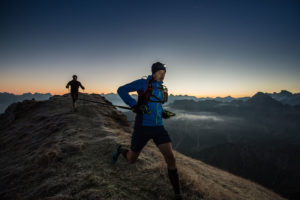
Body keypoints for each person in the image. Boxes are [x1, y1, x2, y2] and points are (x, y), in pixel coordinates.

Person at [112, 62, 182, 200]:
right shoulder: (143, 83)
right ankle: (120, 150)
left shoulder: (161, 88)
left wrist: (163, 113)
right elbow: (121, 90)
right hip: (142, 127)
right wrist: (134, 105)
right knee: (132, 159)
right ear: (154, 72)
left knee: (170, 158)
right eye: (160, 72)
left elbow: (157, 106)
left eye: (164, 72)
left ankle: (177, 194)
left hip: (158, 127)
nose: (163, 75)